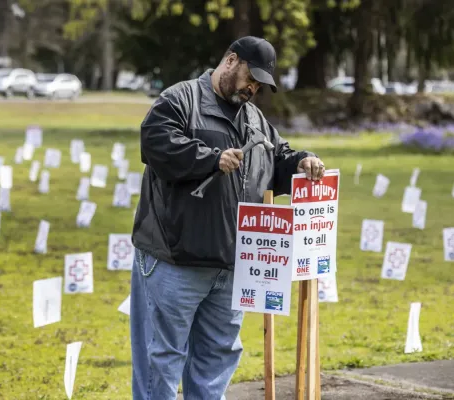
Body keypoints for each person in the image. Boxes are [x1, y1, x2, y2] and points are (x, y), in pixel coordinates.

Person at [130, 36, 326, 400]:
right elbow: (155, 143)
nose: (253, 88)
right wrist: (210, 157)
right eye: (251, 78)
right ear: (231, 60)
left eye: (260, 85)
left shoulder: (255, 119)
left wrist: (301, 162)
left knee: (215, 361)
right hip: (175, 262)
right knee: (162, 363)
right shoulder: (180, 100)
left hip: (232, 268)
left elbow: (276, 159)